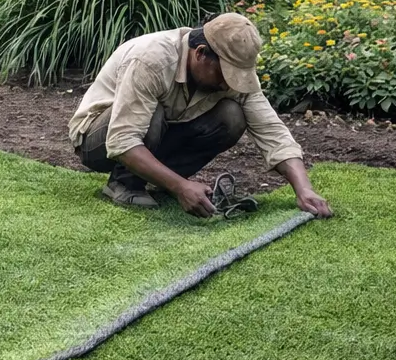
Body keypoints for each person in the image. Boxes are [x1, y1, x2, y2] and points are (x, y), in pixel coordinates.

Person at [68, 12, 332, 218]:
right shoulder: (152, 60)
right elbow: (121, 140)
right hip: (97, 139)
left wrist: (304, 189)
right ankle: (123, 184)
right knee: (152, 113)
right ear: (201, 53)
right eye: (226, 74)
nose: (230, 84)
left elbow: (271, 131)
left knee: (232, 116)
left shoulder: (226, 78)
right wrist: (182, 186)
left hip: (156, 131)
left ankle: (160, 181)